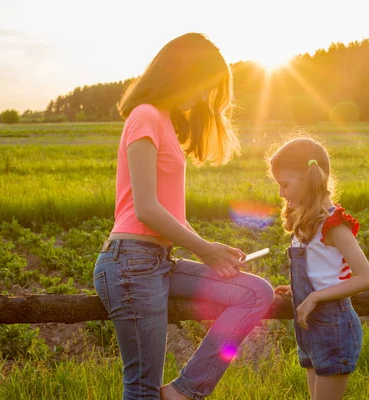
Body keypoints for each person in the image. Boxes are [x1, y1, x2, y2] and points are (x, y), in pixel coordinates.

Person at [93, 32, 274, 400]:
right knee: (142, 389)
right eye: (207, 85)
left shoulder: (165, 122)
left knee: (255, 293)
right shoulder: (145, 116)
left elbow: (168, 211)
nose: (207, 96)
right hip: (130, 263)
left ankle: (185, 391)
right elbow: (145, 208)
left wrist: (211, 249)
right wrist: (204, 250)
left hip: (158, 261)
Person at [267, 137, 369, 400]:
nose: (281, 193)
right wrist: (298, 289)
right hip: (310, 328)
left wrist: (314, 296)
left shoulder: (333, 224)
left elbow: (366, 278)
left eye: (285, 184)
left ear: (309, 179)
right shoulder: (308, 221)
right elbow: (322, 270)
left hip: (333, 327)